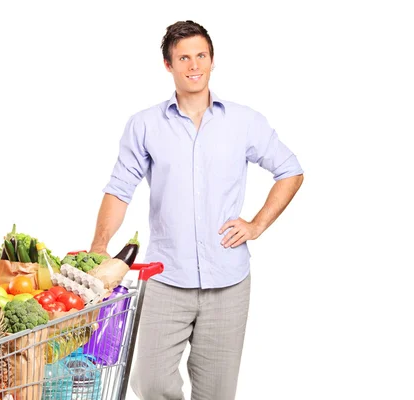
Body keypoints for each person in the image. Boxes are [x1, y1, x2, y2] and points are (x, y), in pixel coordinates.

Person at [89, 20, 304, 400]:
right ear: (168, 65)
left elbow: (290, 171)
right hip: (166, 278)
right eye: (183, 57)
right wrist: (99, 245)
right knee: (150, 382)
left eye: (200, 56)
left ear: (212, 60)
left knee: (218, 394)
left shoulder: (244, 121)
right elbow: (120, 189)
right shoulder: (144, 125)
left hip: (229, 282)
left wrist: (255, 225)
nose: (193, 65)